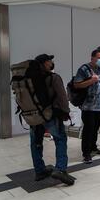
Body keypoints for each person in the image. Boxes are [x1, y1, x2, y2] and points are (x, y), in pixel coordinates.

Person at [30, 54, 74, 186]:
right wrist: (66, 112)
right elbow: (62, 97)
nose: (52, 62)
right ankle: (60, 169)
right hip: (51, 115)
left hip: (34, 116)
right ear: (44, 63)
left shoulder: (29, 79)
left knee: (36, 142)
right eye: (49, 60)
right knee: (60, 139)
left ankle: (39, 170)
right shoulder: (53, 78)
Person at [74, 49, 100, 164]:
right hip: (88, 106)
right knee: (88, 129)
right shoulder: (84, 69)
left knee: (95, 128)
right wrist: (91, 81)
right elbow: (77, 85)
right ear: (92, 58)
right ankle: (86, 153)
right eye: (99, 58)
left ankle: (93, 147)